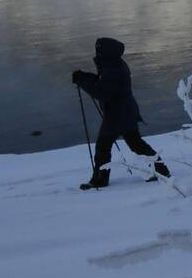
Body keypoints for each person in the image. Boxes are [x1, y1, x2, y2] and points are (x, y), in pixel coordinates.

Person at [72, 37, 170, 190]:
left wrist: (83, 81)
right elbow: (101, 82)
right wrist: (85, 76)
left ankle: (100, 180)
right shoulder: (112, 64)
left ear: (106, 51)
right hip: (125, 112)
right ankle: (162, 171)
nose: (97, 52)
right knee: (136, 144)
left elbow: (101, 92)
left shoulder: (113, 68)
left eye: (99, 49)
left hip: (117, 115)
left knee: (103, 146)